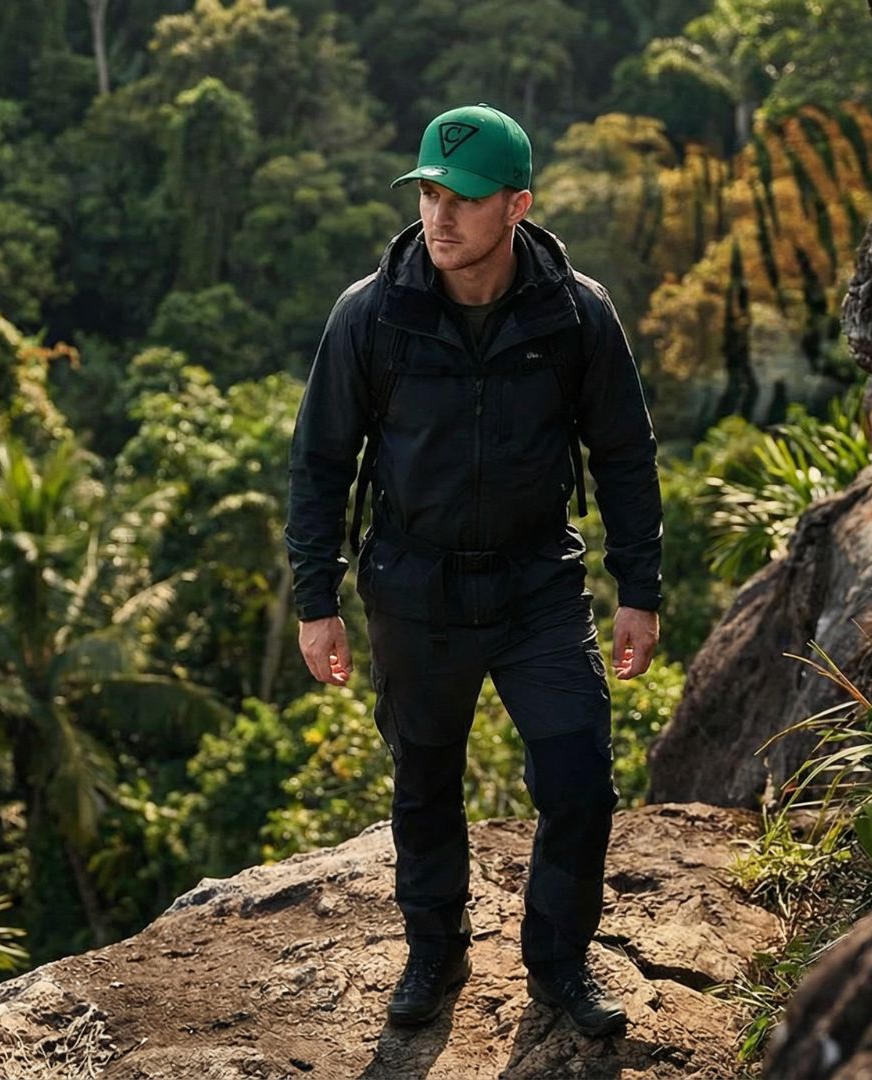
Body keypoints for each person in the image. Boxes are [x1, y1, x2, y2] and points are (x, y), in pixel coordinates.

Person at [286, 103, 662, 1038]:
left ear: (518, 206)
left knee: (577, 775)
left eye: (463, 197)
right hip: (414, 587)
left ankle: (560, 964)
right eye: (426, 192)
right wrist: (315, 599)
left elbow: (623, 452)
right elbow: (320, 461)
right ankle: (434, 952)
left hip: (539, 583)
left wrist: (640, 588)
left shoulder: (577, 311)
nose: (439, 215)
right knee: (424, 776)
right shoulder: (371, 314)